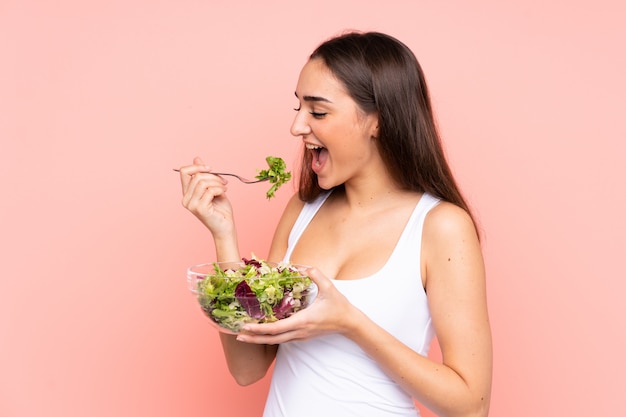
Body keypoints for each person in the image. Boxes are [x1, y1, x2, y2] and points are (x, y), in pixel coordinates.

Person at [178, 31, 492, 417]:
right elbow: (248, 368)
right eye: (297, 108)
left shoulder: (440, 227)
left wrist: (350, 323)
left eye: (318, 112)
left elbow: (471, 407)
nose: (297, 127)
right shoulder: (302, 210)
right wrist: (224, 235)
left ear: (378, 120)